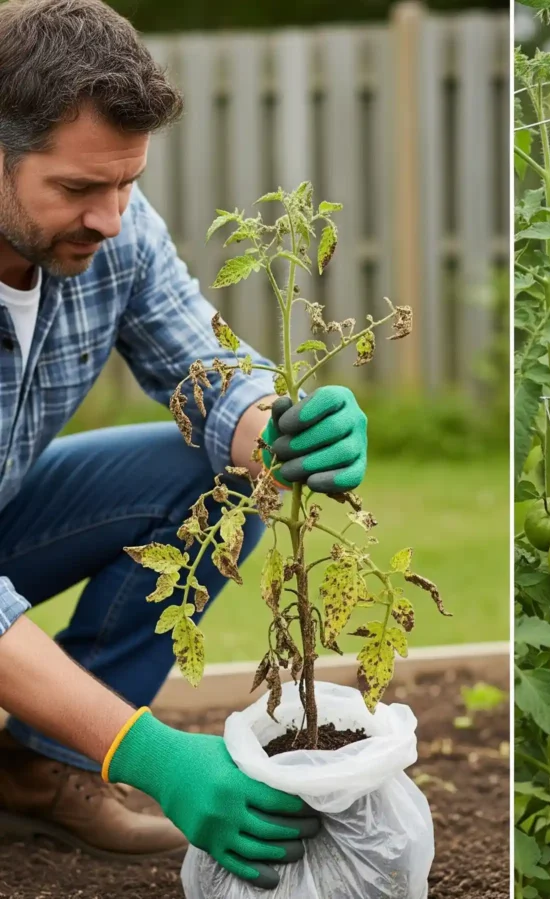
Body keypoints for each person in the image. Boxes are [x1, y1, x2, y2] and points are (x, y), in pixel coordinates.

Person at [0, 0, 368, 889]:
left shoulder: (116, 236)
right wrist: (147, 751)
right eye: (79, 190)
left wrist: (277, 432)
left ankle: (37, 768)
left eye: (126, 183)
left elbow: (204, 366)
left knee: (216, 479)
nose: (112, 219)